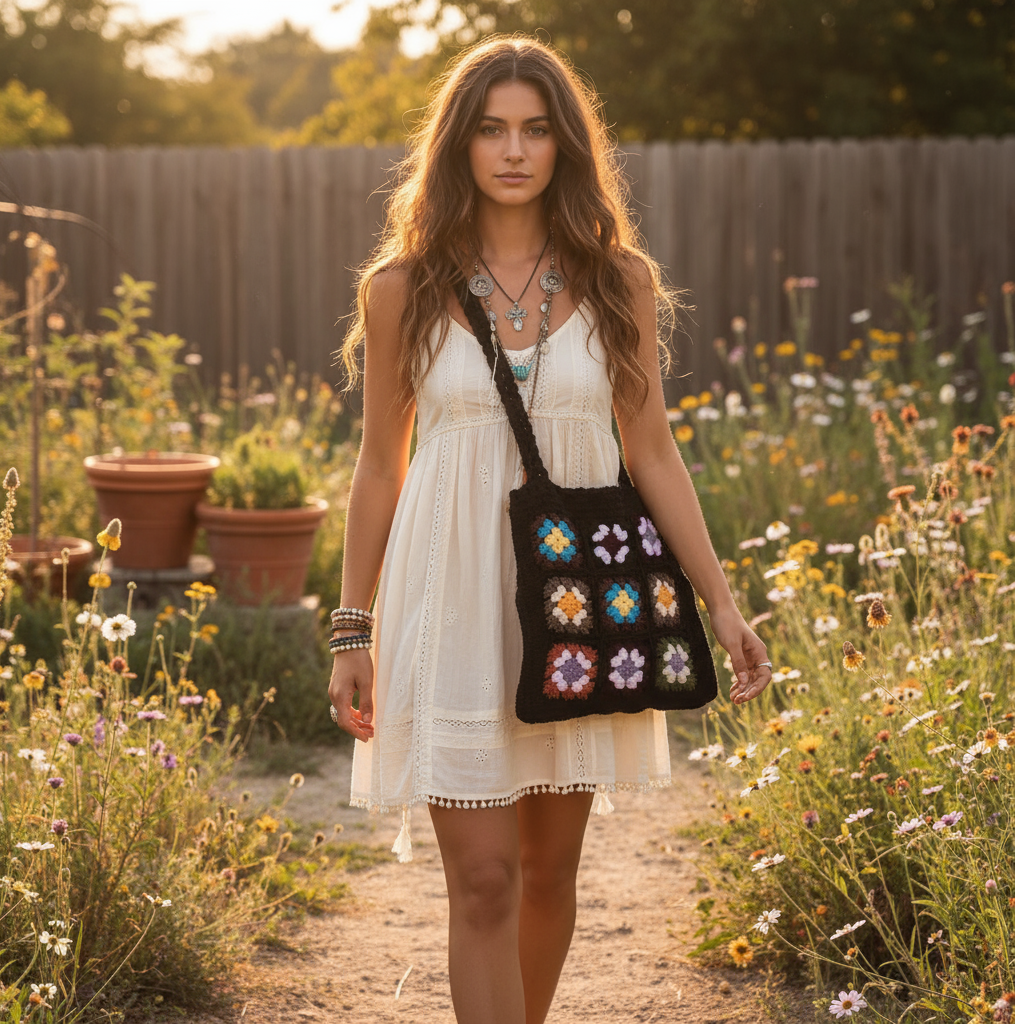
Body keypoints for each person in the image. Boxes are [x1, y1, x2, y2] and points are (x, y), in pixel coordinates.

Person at [327, 35, 773, 1024]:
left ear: (567, 145)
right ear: (459, 145)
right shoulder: (402, 288)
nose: (513, 150)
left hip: (576, 602)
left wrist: (723, 602)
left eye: (534, 129)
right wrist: (351, 630)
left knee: (549, 871)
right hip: (449, 602)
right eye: (490, 129)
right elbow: (377, 467)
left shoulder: (618, 280)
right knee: (482, 881)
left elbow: (652, 450)